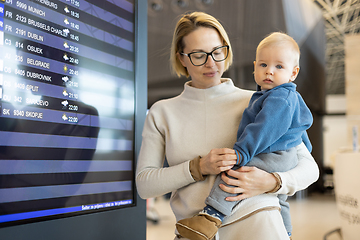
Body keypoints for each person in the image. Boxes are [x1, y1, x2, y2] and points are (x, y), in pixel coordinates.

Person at [136, 12, 319, 240]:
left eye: (217, 52)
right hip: (195, 232)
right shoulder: (162, 112)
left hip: (260, 225)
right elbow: (145, 185)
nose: (211, 63)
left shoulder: (262, 102)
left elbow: (310, 168)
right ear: (181, 58)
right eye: (198, 55)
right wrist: (198, 167)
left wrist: (272, 182)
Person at [176, 32, 313, 240]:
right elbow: (300, 130)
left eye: (279, 66)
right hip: (284, 156)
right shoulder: (282, 96)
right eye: (264, 65)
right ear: (254, 66)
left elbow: (262, 129)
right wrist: (302, 149)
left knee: (235, 173)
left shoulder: (279, 97)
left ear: (293, 73)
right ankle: (286, 233)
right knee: (279, 199)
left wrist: (241, 153)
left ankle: (211, 216)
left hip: (272, 154)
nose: (269, 72)